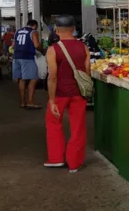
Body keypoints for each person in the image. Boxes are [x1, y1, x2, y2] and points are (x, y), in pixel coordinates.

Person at [45, 15, 90, 173]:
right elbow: (87, 71)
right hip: (78, 93)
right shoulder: (83, 47)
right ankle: (74, 163)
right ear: (73, 29)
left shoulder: (53, 49)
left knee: (53, 124)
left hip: (59, 94)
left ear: (56, 30)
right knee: (78, 128)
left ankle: (56, 158)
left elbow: (53, 76)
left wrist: (51, 101)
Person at [12, 20, 41, 109]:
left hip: (16, 57)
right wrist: (42, 50)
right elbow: (36, 45)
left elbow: (13, 45)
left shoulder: (18, 31)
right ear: (35, 26)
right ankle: (30, 102)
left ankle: (22, 102)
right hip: (27, 57)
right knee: (34, 79)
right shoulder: (33, 32)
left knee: (22, 79)